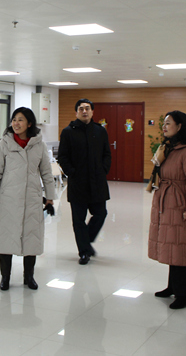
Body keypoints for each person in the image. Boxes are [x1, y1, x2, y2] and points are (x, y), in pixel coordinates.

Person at [0, 107, 55, 291]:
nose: (16, 123)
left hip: (32, 198)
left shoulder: (39, 145)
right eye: (14, 120)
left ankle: (29, 277)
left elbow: (46, 173)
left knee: (31, 238)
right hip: (8, 198)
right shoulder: (4, 143)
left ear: (29, 123)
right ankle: (5, 277)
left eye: (20, 120)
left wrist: (50, 197)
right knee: (6, 238)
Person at [148, 110, 186, 309]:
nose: (164, 126)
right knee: (171, 244)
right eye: (163, 123)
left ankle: (184, 295)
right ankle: (172, 287)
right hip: (165, 201)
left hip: (178, 204)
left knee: (178, 247)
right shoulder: (169, 147)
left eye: (168, 123)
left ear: (179, 126)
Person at [58, 98, 111, 265]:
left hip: (97, 181)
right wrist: (72, 172)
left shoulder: (100, 131)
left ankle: (85, 242)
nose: (84, 111)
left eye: (87, 108)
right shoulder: (68, 132)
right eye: (81, 109)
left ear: (92, 112)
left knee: (101, 213)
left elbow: (107, 153)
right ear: (76, 112)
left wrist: (103, 169)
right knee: (78, 220)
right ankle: (84, 252)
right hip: (78, 182)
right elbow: (63, 157)